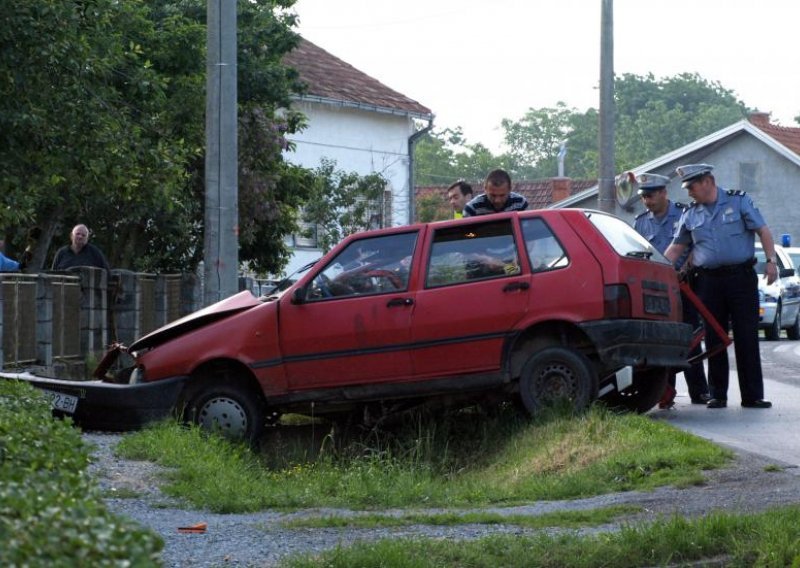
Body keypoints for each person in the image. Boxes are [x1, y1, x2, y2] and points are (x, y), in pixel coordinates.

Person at [664, 164, 775, 409]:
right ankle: (718, 394)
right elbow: (676, 248)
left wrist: (771, 261)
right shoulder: (691, 214)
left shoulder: (739, 202)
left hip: (741, 279)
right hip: (708, 282)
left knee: (747, 336)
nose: (689, 192)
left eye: (691, 186)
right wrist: (657, 269)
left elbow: (763, 231)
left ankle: (753, 395)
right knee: (714, 338)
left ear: (708, 181)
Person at [632, 173, 710, 408]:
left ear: (664, 193)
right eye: (644, 197)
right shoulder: (641, 221)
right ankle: (665, 392)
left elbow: (697, 247)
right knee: (663, 339)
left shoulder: (684, 213)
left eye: (651, 195)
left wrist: (684, 269)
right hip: (655, 290)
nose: (647, 201)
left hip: (684, 284)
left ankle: (699, 391)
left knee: (689, 336)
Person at [463, 169, 528, 217]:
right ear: (485, 189)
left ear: (510, 189)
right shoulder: (472, 208)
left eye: (502, 195)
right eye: (493, 195)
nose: (497, 200)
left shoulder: (521, 203)